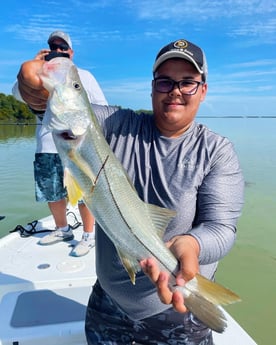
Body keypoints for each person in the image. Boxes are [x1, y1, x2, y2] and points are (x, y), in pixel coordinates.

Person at [15, 38, 244, 344]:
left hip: (176, 301)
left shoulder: (217, 151)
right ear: (151, 88)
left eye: (187, 82)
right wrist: (31, 83)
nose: (175, 90)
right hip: (108, 302)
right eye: (164, 82)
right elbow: (47, 100)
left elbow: (222, 228)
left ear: (203, 90)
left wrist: (192, 244)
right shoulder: (114, 124)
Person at [12, 31, 108, 257]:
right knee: (51, 192)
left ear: (71, 53)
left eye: (62, 47)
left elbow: (102, 109)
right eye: (53, 46)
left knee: (85, 192)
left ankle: (88, 234)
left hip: (79, 146)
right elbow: (17, 94)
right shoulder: (38, 74)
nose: (58, 50)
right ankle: (62, 229)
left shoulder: (83, 75)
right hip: (47, 145)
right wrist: (34, 68)